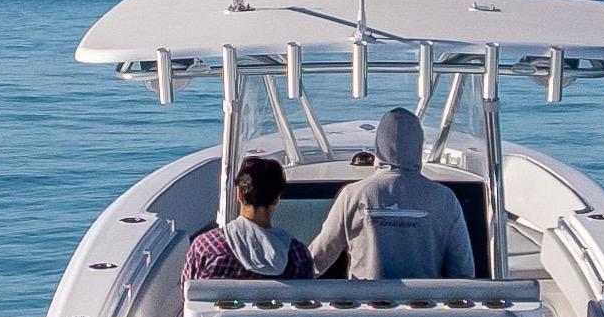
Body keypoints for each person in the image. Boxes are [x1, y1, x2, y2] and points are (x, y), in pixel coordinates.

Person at [309, 105, 478, 281]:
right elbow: (462, 272)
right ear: (418, 144)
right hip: (425, 306)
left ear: (379, 144)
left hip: (366, 305)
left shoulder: (353, 195)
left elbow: (318, 258)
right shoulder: (445, 199)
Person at [184, 153, 318, 282]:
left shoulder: (205, 247)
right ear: (277, 199)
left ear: (239, 196)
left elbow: (188, 296)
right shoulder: (298, 256)